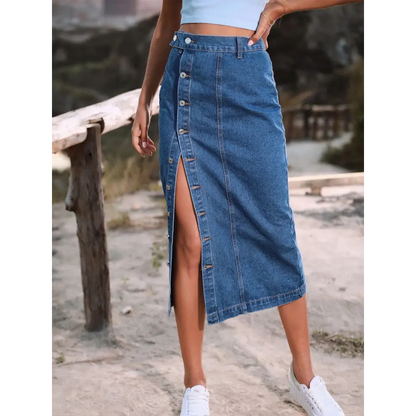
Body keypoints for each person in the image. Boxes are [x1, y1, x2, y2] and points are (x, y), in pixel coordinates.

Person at [132, 1, 365, 415]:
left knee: (275, 229)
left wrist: (280, 7)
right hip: (184, 82)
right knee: (190, 241)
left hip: (247, 81)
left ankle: (305, 376)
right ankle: (195, 384)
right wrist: (143, 104)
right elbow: (166, 23)